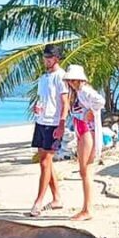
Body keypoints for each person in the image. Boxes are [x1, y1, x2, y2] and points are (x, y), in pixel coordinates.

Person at [28, 44, 69, 217]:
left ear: (56, 59)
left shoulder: (61, 77)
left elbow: (65, 103)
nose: (46, 60)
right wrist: (36, 109)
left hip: (53, 123)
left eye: (49, 57)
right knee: (45, 162)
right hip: (41, 121)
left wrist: (61, 124)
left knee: (46, 162)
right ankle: (57, 198)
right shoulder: (43, 78)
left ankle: (38, 202)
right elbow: (43, 99)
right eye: (45, 57)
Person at [63, 64, 105, 221]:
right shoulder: (78, 93)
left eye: (74, 80)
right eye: (70, 80)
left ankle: (87, 209)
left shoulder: (85, 91)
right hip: (82, 130)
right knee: (84, 170)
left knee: (85, 170)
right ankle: (86, 208)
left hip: (87, 131)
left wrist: (91, 111)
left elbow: (100, 101)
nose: (71, 83)